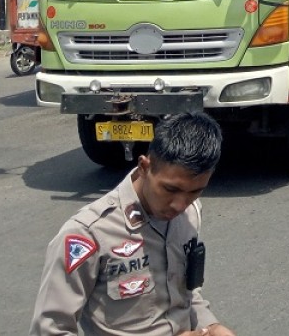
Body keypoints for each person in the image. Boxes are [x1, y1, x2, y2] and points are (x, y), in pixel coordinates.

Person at [30, 113, 235, 336]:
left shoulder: (190, 215)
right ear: (144, 166)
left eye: (195, 192)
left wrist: (211, 326)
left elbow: (186, 292)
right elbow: (50, 329)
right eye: (170, 189)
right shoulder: (89, 233)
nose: (180, 205)